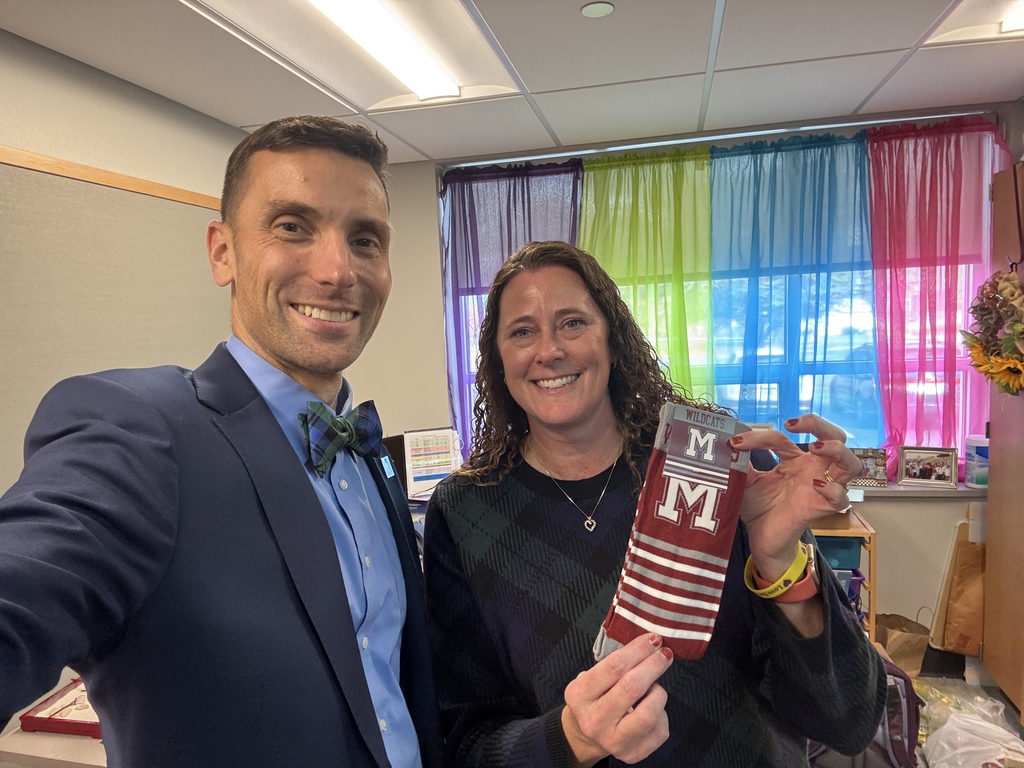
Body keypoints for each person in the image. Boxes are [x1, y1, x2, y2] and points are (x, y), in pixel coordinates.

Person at [0, 116, 442, 768]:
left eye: (364, 239)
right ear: (222, 252)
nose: (337, 270)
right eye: (292, 226)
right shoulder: (137, 431)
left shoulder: (366, 451)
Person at [423, 241, 886, 767]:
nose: (548, 350)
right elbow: (463, 743)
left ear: (613, 339)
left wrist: (780, 563)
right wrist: (570, 739)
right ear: (498, 358)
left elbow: (849, 720)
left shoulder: (718, 462)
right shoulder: (465, 512)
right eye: (522, 331)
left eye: (573, 323)